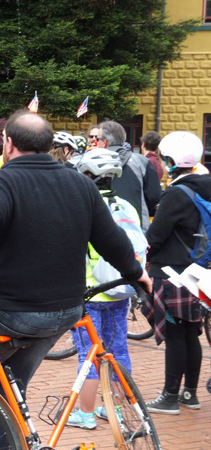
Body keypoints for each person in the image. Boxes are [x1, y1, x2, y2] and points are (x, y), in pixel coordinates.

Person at [0, 110, 151, 398]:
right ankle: (5, 424)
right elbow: (112, 240)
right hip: (65, 310)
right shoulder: (81, 184)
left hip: (9, 310)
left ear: (9, 144)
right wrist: (136, 273)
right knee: (8, 389)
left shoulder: (3, 182)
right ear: (49, 144)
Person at [66, 148, 141, 430]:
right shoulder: (126, 206)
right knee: (118, 352)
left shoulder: (82, 208)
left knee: (89, 355)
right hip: (119, 291)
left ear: (87, 175)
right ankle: (116, 411)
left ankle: (85, 414)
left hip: (89, 294)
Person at [143, 131, 211, 414]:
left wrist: (142, 258)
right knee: (191, 334)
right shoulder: (206, 185)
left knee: (174, 336)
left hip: (172, 273)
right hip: (199, 273)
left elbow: (155, 237)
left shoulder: (176, 194)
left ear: (171, 161)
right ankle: (189, 394)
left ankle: (169, 397)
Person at [96, 121, 162, 232]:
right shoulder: (141, 162)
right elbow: (154, 197)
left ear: (104, 142)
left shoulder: (92, 164)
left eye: (97, 139)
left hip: (103, 230)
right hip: (137, 230)